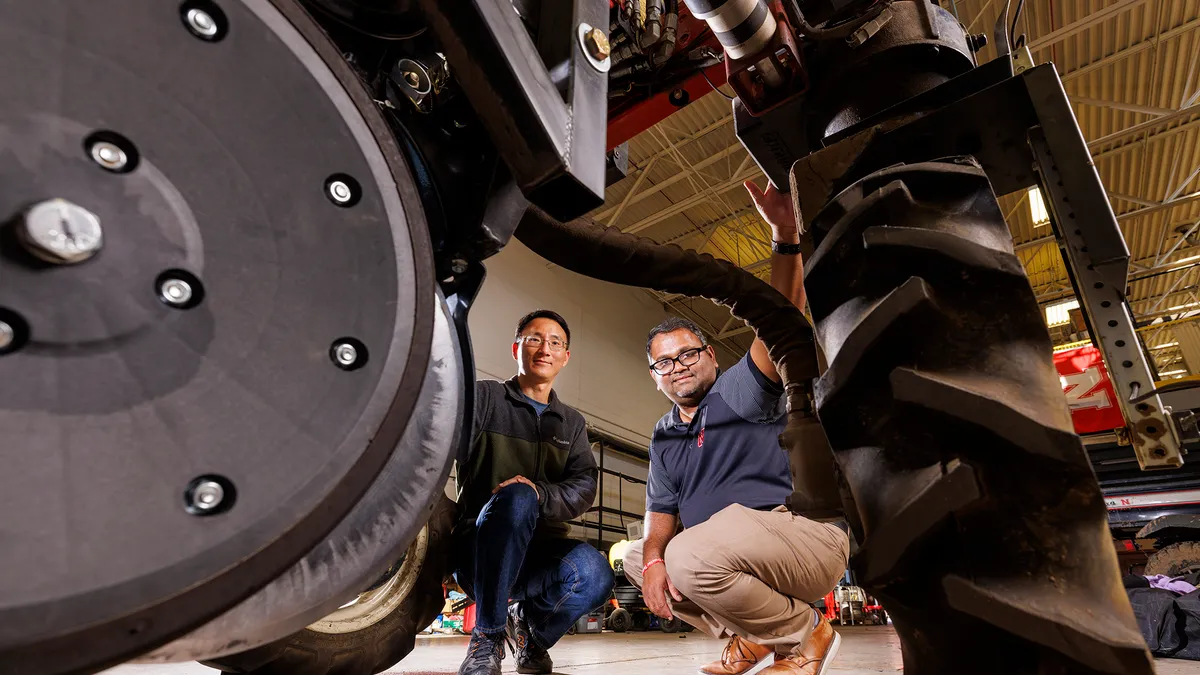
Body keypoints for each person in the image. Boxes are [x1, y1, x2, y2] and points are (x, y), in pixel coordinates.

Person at [623, 181, 850, 675]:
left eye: (688, 353)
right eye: (665, 363)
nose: (679, 366)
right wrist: (656, 560)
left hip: (803, 542)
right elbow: (660, 514)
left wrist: (784, 236)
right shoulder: (664, 435)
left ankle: (808, 636)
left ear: (710, 356)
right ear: (655, 377)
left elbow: (776, 317)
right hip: (729, 558)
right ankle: (753, 638)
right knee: (642, 557)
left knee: (684, 554)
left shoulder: (738, 391)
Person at [452, 309, 615, 675]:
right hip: (480, 552)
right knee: (517, 498)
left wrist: (540, 495)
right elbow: (438, 446)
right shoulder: (486, 398)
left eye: (555, 343)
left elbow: (584, 486)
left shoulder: (571, 423)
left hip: (540, 557)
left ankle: (530, 635)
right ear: (516, 348)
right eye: (535, 339)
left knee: (595, 573)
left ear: (565, 357)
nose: (545, 349)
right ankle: (487, 637)